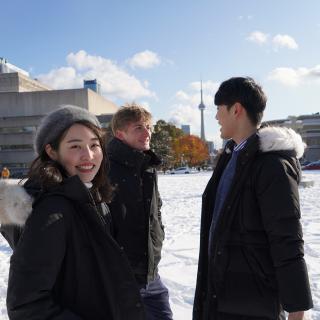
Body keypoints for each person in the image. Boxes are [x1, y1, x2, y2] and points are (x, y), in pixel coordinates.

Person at [0, 105, 145, 320]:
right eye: (75, 146)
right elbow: (25, 304)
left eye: (94, 145)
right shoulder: (51, 211)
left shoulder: (93, 197)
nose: (88, 155)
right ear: (51, 151)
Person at [193, 77, 313, 320]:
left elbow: (286, 238)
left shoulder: (272, 166)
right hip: (220, 297)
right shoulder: (229, 156)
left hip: (254, 305)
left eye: (219, 109)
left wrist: (297, 309)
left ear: (236, 109)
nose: (216, 116)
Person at [107, 103, 173, 320]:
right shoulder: (105, 168)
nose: (148, 133)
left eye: (148, 127)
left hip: (149, 272)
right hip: (120, 276)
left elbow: (157, 209)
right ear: (120, 134)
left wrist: (157, 238)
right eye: (138, 128)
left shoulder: (146, 165)